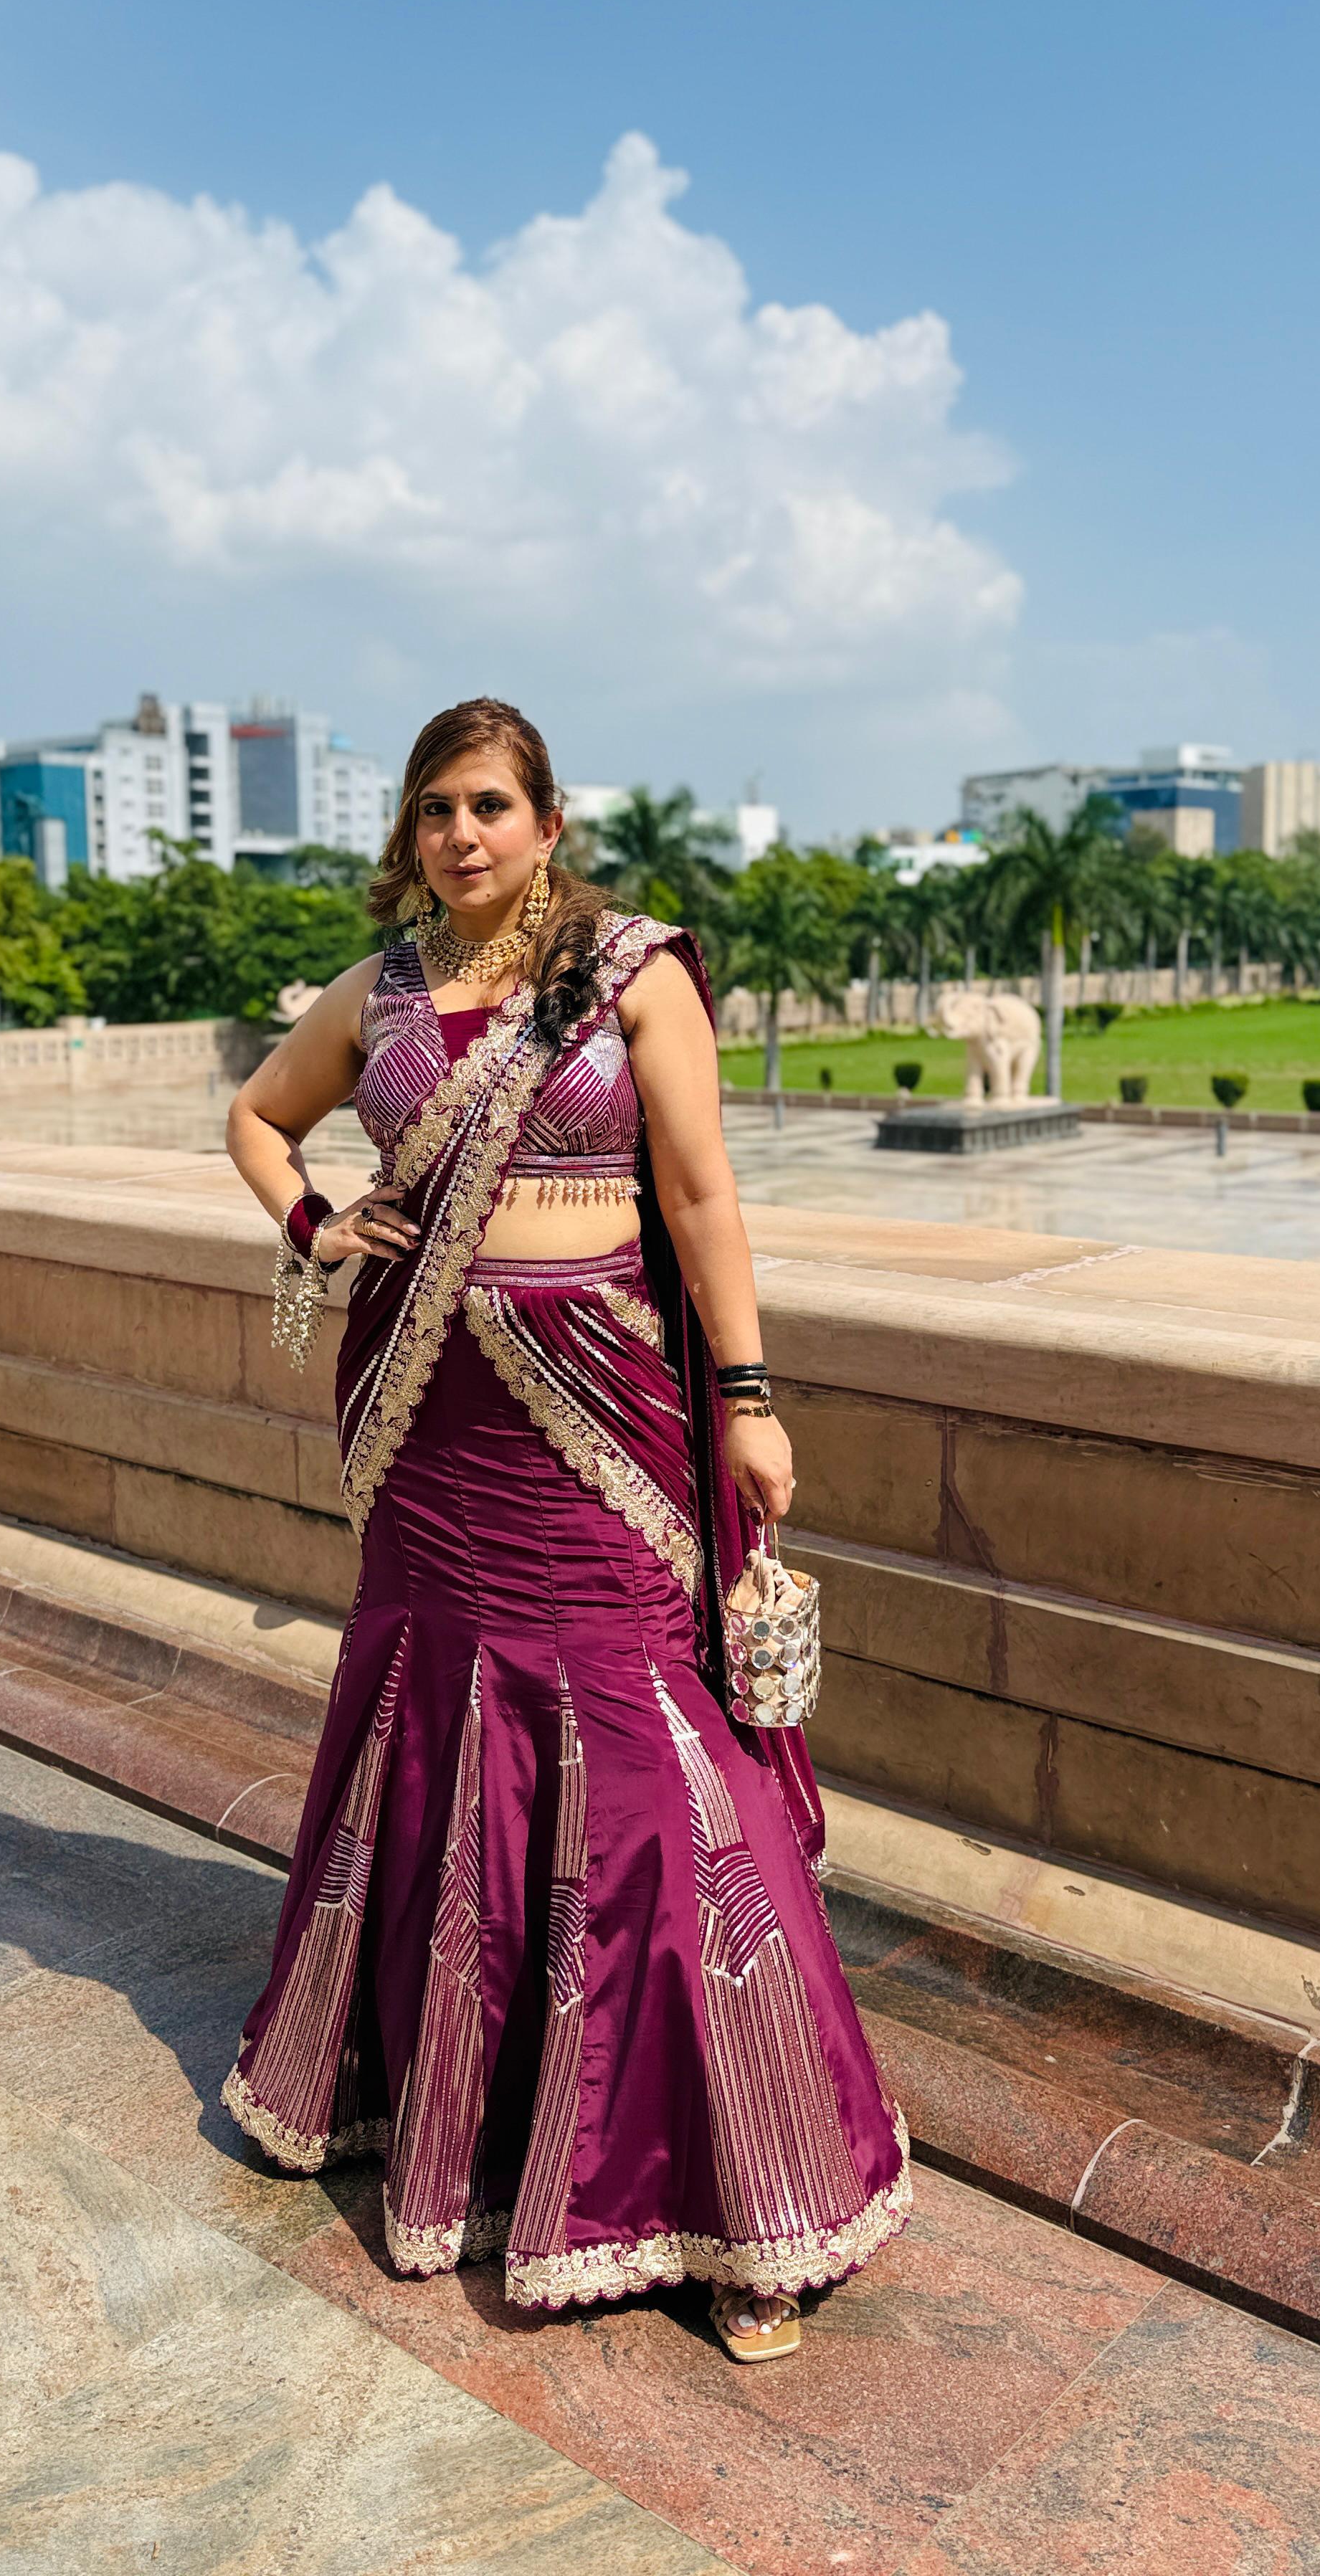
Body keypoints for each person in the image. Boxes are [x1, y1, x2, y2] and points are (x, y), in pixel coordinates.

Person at [221, 696, 908, 2360]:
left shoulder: (626, 971)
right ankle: (473, 2128)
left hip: (598, 1420)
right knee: (439, 1735)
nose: (459, 835)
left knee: (653, 1760)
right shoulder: (380, 990)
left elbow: (699, 1196)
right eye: (433, 809)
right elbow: (255, 1119)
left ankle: (745, 2194)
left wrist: (746, 1394)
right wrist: (321, 1228)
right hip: (425, 1436)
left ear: (544, 820)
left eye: (488, 806)